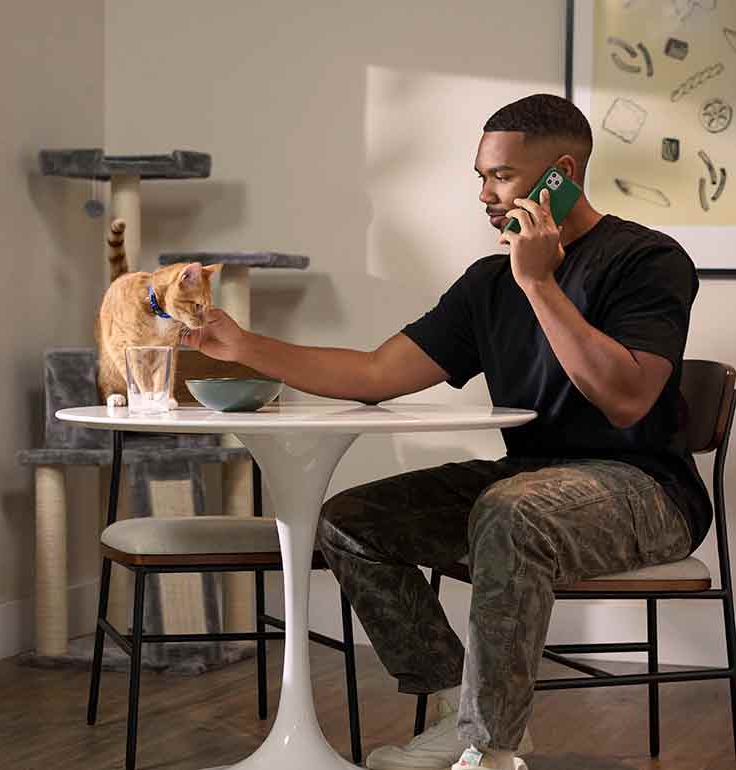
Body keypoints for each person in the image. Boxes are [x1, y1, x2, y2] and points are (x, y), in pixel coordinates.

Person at [183, 93, 709, 770]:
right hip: (531, 481)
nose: (485, 194)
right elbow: (377, 372)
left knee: (512, 512)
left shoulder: (646, 259)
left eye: (501, 176)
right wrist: (243, 345)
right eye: (480, 177)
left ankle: (491, 749)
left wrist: (539, 284)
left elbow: (628, 399)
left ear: (564, 173)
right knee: (351, 521)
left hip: (647, 489)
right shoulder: (489, 284)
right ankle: (457, 716)